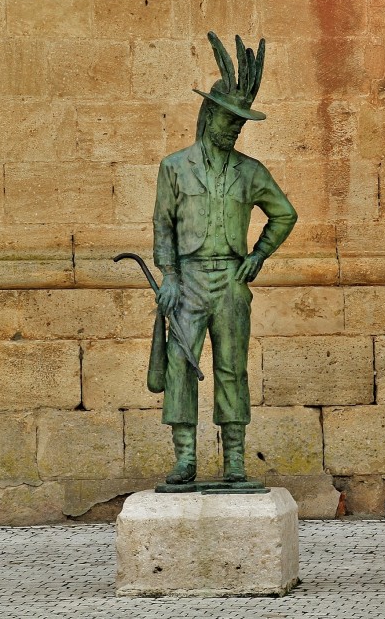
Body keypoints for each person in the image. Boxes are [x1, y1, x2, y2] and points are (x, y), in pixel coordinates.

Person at [152, 32, 297, 484]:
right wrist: (170, 276)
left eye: (240, 125)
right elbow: (164, 225)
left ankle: (234, 459)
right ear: (209, 114)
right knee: (181, 362)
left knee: (232, 366)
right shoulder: (175, 167)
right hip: (189, 280)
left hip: (232, 281)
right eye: (229, 121)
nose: (234, 130)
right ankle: (186, 457)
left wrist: (258, 256)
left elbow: (284, 214)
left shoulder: (249, 171)